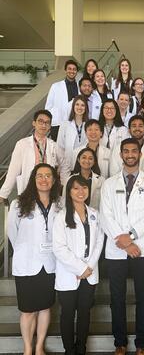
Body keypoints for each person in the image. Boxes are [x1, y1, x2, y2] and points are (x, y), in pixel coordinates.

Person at [100, 137, 144, 355]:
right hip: (117, 249)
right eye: (126, 151)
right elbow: (105, 216)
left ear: (140, 154)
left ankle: (141, 343)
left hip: (142, 248)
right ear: (121, 155)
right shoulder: (109, 184)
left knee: (143, 297)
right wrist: (124, 241)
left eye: (134, 151)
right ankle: (120, 342)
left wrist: (131, 235)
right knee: (117, 298)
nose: (130, 154)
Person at [8, 163, 61, 355]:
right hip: (26, 263)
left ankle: (39, 348)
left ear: (54, 180)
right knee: (28, 310)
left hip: (49, 264)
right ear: (33, 178)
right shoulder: (19, 203)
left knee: (45, 308)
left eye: (48, 176)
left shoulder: (59, 204)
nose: (44, 179)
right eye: (40, 175)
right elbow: (12, 233)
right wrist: (25, 249)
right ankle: (27, 348)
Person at [53, 175, 104, 355]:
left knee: (84, 313)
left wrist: (88, 267)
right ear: (69, 192)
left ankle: (81, 349)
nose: (80, 192)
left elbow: (99, 241)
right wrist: (80, 268)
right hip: (69, 274)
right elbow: (59, 248)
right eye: (76, 188)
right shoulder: (61, 217)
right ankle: (69, 350)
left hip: (89, 274)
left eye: (84, 188)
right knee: (67, 314)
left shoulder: (94, 214)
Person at [0, 110, 69, 202]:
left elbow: (65, 166)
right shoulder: (22, 144)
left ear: (49, 126)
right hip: (28, 189)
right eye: (40, 121)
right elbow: (13, 171)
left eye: (47, 123)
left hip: (48, 190)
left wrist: (63, 185)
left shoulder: (54, 145)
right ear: (34, 123)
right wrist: (3, 194)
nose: (43, 125)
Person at [109, 115, 144, 179]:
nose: (137, 129)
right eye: (134, 126)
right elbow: (114, 173)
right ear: (129, 130)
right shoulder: (118, 149)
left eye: (140, 126)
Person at [45, 59, 79, 140]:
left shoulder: (79, 87)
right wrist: (49, 122)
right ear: (65, 70)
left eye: (74, 69)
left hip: (75, 124)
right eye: (69, 69)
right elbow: (48, 106)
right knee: (57, 150)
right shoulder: (55, 86)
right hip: (58, 124)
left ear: (77, 71)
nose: (72, 71)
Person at [57, 95, 89, 169]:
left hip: (84, 165)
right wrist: (61, 166)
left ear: (86, 108)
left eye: (82, 105)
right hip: (67, 165)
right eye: (77, 104)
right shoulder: (65, 125)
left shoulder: (88, 126)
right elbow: (60, 147)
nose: (79, 107)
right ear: (73, 107)